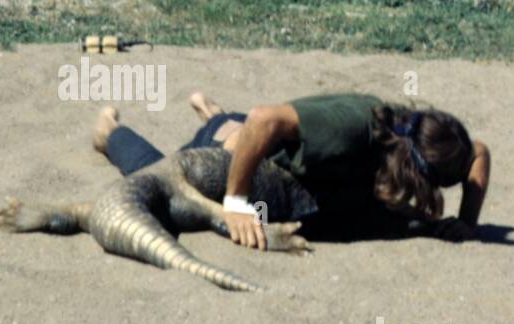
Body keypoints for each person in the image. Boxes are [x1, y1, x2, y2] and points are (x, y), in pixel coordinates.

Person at [91, 89, 491, 248]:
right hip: (226, 150)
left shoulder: (426, 138)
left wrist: (466, 222)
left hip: (275, 147)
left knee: (251, 133)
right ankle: (109, 132)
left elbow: (479, 153)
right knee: (159, 182)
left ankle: (211, 110)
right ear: (414, 168)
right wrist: (235, 202)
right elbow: (264, 121)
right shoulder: (349, 131)